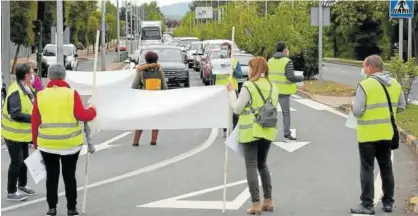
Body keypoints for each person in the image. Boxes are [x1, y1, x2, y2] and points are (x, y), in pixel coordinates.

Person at [31, 63, 97, 216]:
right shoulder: (71, 93)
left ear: (49, 76)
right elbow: (82, 115)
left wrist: (36, 143)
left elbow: (35, 122)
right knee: (69, 176)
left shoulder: (40, 95)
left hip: (47, 144)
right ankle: (71, 208)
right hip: (70, 144)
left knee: (51, 177)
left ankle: (52, 207)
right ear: (64, 76)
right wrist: (92, 110)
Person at [349, 55, 406, 215]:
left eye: (363, 66)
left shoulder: (365, 85)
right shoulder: (395, 84)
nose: (363, 70)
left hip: (367, 135)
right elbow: (401, 106)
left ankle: (367, 205)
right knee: (386, 167)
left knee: (367, 169)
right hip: (386, 134)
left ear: (369, 67)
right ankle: (388, 203)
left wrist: (352, 106)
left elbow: (358, 111)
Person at [227, 57, 278, 215]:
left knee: (251, 165)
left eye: (249, 67)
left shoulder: (248, 86)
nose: (247, 70)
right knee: (262, 164)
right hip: (268, 130)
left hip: (251, 131)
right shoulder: (273, 86)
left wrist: (230, 92)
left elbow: (237, 109)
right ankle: (268, 201)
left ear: (254, 68)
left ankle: (256, 204)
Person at [2, 63, 37, 201]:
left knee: (24, 161)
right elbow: (15, 113)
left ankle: (22, 185)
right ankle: (11, 191)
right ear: (26, 76)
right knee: (16, 161)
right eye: (32, 72)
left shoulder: (27, 88)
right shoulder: (15, 90)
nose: (34, 74)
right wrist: (33, 119)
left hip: (23, 134)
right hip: (12, 134)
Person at [268, 41, 303, 142]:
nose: (288, 51)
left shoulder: (270, 61)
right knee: (285, 113)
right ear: (284, 50)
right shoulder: (287, 61)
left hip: (272, 91)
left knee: (270, 112)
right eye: (287, 49)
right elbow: (290, 77)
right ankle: (287, 133)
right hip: (283, 92)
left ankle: (268, 133)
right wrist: (301, 77)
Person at [131, 51, 168, 146]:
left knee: (141, 119)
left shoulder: (141, 71)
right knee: (156, 119)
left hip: (144, 98)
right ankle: (153, 140)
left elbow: (134, 86)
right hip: (156, 98)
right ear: (156, 60)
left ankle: (136, 141)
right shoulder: (159, 71)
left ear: (146, 60)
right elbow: (164, 87)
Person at [216, 42, 243, 137]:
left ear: (229, 50)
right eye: (222, 49)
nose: (223, 51)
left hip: (232, 89)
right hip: (221, 89)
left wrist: (234, 69)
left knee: (235, 111)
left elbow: (240, 75)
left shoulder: (234, 61)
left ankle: (235, 131)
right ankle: (225, 131)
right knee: (224, 112)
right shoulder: (217, 62)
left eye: (225, 49)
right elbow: (213, 75)